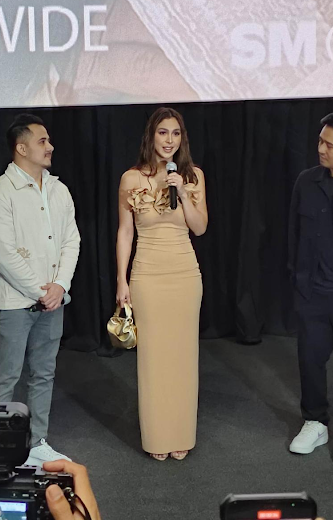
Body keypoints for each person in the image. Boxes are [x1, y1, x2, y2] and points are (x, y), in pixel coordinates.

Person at [0, 113, 81, 467]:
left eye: (48, 140)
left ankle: (37, 441)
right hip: (13, 303)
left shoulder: (58, 190)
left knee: (43, 374)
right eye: (42, 141)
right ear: (21, 148)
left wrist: (60, 286)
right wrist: (42, 291)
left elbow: (71, 240)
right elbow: (4, 254)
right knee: (7, 376)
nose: (50, 146)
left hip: (52, 301)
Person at [116, 107, 208, 460]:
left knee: (183, 356)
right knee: (153, 359)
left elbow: (200, 227)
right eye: (163, 132)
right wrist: (121, 280)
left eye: (176, 133)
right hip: (147, 275)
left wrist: (182, 193)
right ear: (151, 136)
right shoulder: (131, 178)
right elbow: (125, 232)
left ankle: (181, 433)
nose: (169, 140)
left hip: (185, 274)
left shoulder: (193, 176)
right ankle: (157, 437)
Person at [288, 111, 333, 463]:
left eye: (330, 145)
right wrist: (298, 280)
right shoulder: (306, 181)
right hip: (312, 291)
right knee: (310, 360)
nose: (321, 149)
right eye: (320, 141)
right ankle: (315, 422)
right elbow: (293, 235)